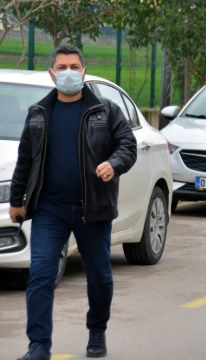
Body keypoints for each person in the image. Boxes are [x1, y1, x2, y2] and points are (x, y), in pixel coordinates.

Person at [9, 44, 137, 360]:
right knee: (40, 275)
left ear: (84, 71)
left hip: (92, 208)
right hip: (49, 209)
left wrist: (114, 164)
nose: (69, 72)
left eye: (74, 67)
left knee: (99, 277)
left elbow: (128, 145)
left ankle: (97, 330)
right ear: (52, 74)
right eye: (62, 67)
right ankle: (38, 345)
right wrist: (16, 200)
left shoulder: (106, 111)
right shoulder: (38, 113)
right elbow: (25, 159)